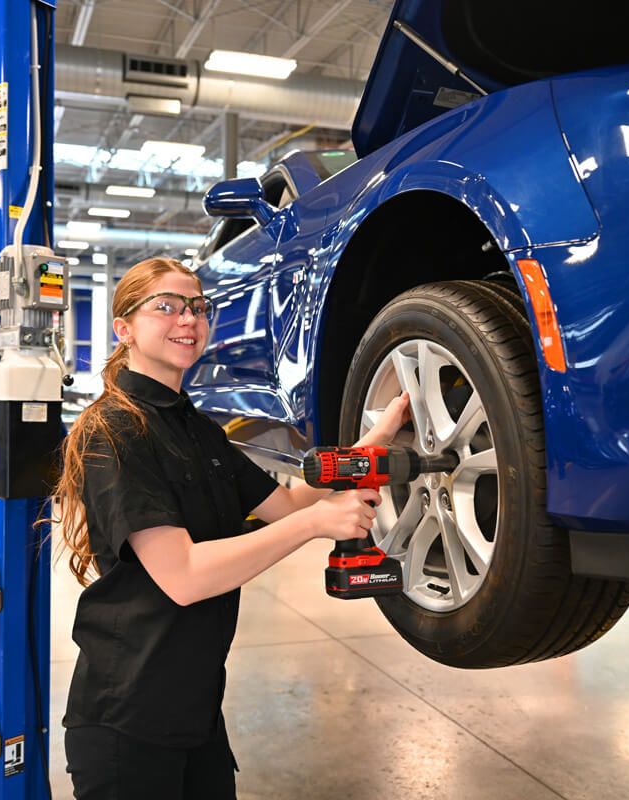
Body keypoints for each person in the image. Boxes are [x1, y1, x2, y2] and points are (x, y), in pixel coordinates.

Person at [56, 256, 410, 799]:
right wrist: (319, 523)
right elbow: (184, 576)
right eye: (167, 307)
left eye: (198, 307)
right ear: (123, 328)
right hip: (126, 722)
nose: (188, 320)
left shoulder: (198, 429)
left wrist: (376, 441)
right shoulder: (114, 431)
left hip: (196, 711)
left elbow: (289, 505)